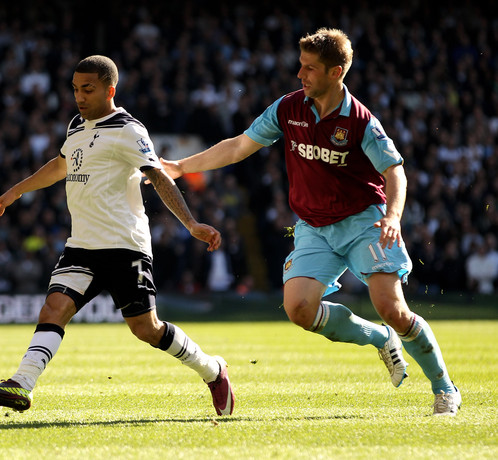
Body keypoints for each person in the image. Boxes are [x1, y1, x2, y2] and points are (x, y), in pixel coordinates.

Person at [160, 28, 460, 416]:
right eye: (300, 66)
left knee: (392, 306)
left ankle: (444, 387)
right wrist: (181, 167)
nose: (300, 75)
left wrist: (393, 217)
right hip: (314, 226)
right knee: (299, 310)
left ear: (336, 73)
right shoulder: (289, 108)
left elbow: (395, 172)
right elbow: (238, 146)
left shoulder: (360, 121)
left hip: (363, 222)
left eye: (310, 69)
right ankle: (380, 339)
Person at [0, 55, 234, 417]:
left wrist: (190, 223)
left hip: (124, 245)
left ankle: (213, 371)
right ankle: (21, 384)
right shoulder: (76, 125)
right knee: (54, 308)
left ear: (110, 89)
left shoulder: (129, 129)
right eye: (76, 89)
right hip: (82, 245)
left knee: (146, 329)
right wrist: (16, 191)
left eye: (88, 89)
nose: (79, 97)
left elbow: (157, 176)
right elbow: (61, 165)